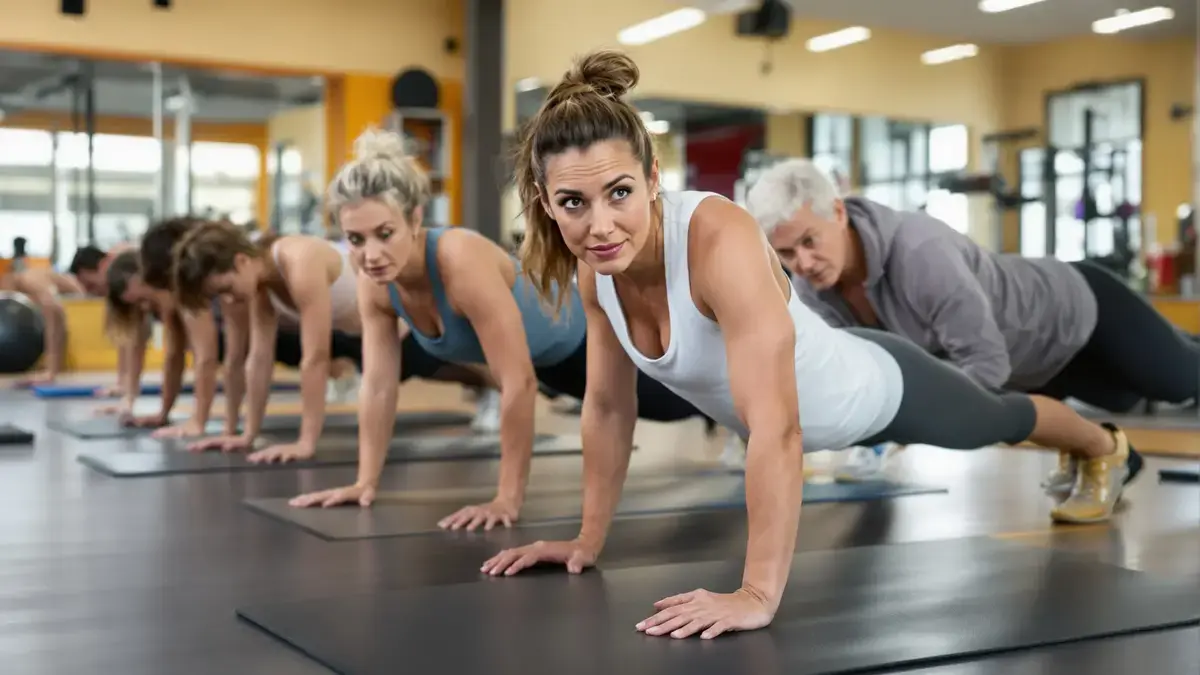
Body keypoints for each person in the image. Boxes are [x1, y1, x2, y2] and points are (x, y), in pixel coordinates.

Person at [478, 49, 1141, 640]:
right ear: (543, 198)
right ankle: (1095, 443)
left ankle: (1102, 445)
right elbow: (607, 408)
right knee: (995, 417)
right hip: (830, 378)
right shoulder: (600, 273)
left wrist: (757, 592)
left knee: (999, 417)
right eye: (573, 202)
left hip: (877, 388)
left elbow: (777, 426)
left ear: (653, 178)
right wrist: (586, 539)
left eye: (619, 192)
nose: (600, 225)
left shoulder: (718, 240)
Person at [286, 126, 713, 532]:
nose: (371, 254)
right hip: (546, 365)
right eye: (355, 240)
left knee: (682, 404)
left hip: (585, 338)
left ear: (415, 219)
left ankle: (742, 416)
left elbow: (516, 384)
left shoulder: (458, 259)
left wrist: (507, 498)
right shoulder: (375, 285)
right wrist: (365, 483)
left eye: (384, 233)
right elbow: (378, 387)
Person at [743, 158, 1156, 495]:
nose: (803, 263)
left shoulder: (922, 253)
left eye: (809, 242)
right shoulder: (811, 288)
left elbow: (986, 366)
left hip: (1077, 303)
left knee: (1178, 380)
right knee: (1108, 396)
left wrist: (916, 415)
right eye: (786, 253)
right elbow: (859, 375)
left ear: (837, 212)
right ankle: (1119, 457)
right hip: (1033, 359)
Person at [170, 222, 486, 462]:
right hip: (369, 328)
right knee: (434, 365)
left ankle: (502, 384)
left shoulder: (298, 260)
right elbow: (259, 359)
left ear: (241, 261)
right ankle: (492, 386)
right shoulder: (261, 286)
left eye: (225, 287)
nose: (227, 299)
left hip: (398, 311)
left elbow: (316, 357)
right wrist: (246, 434)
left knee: (463, 360)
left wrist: (306, 442)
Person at [99, 238, 224, 439]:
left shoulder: (186, 292)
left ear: (142, 279)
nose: (146, 308)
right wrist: (163, 414)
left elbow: (206, 359)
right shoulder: (170, 308)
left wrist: (198, 422)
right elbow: (174, 357)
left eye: (143, 300)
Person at [1, 263, 84, 387]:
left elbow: (56, 310)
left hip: (84, 298)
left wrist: (51, 371)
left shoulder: (28, 279)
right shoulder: (26, 289)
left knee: (50, 313)